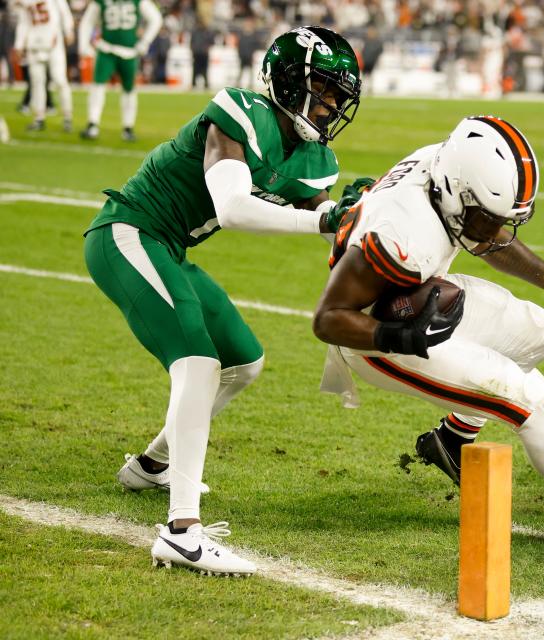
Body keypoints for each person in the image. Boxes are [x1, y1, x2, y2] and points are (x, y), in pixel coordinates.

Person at [83, 26, 364, 576]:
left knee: (244, 361)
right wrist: (325, 219)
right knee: (198, 361)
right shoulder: (239, 112)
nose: (332, 106)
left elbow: (336, 229)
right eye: (324, 90)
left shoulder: (311, 156)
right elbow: (233, 207)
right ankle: (182, 531)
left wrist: (368, 215)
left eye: (338, 96)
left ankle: (153, 463)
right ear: (288, 82)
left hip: (171, 247)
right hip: (129, 232)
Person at [313, 116, 544, 541]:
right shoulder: (401, 228)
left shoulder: (450, 174)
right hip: (375, 336)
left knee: (539, 333)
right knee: (523, 396)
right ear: (458, 193)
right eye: (489, 216)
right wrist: (394, 338)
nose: (496, 228)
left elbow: (484, 235)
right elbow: (327, 318)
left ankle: (453, 438)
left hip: (421, 295)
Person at [77, 0, 162, 142]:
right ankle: (93, 123)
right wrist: (83, 44)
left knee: (129, 90)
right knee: (97, 86)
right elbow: (88, 21)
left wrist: (145, 41)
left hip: (128, 51)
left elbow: (156, 19)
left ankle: (128, 127)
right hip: (106, 48)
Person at [13, 0, 74, 132]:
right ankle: (39, 118)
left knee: (60, 80)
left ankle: (67, 117)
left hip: (53, 43)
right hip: (34, 44)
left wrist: (68, 30)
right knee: (37, 82)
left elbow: (64, 11)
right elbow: (23, 22)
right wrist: (19, 44)